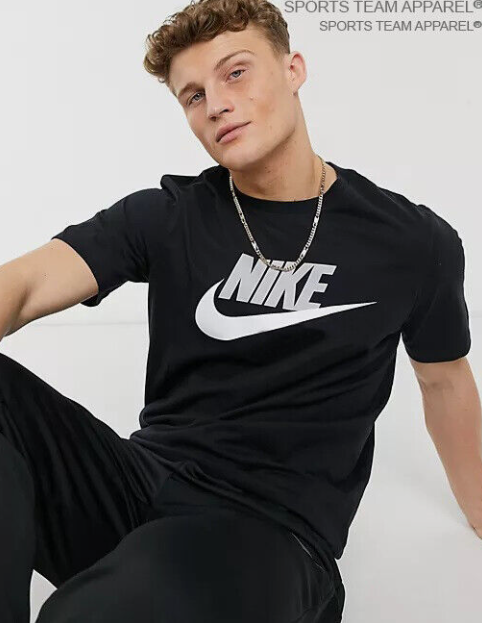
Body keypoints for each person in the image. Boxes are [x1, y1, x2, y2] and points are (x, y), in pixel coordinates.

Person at [0, 0, 477, 621]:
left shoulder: (410, 242)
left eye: (236, 73)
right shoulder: (167, 216)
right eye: (194, 95)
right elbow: (25, 285)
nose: (217, 105)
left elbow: (444, 382)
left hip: (267, 536)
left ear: (293, 69)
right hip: (137, 491)